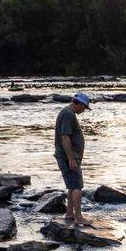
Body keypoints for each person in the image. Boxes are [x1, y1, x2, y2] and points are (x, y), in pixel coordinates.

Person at [55, 93, 91, 224]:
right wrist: (71, 159)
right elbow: (65, 137)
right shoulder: (68, 114)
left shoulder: (68, 113)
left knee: (71, 185)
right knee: (77, 186)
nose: (84, 110)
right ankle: (79, 217)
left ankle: (69, 213)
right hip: (68, 157)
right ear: (79, 104)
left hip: (68, 156)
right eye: (84, 107)